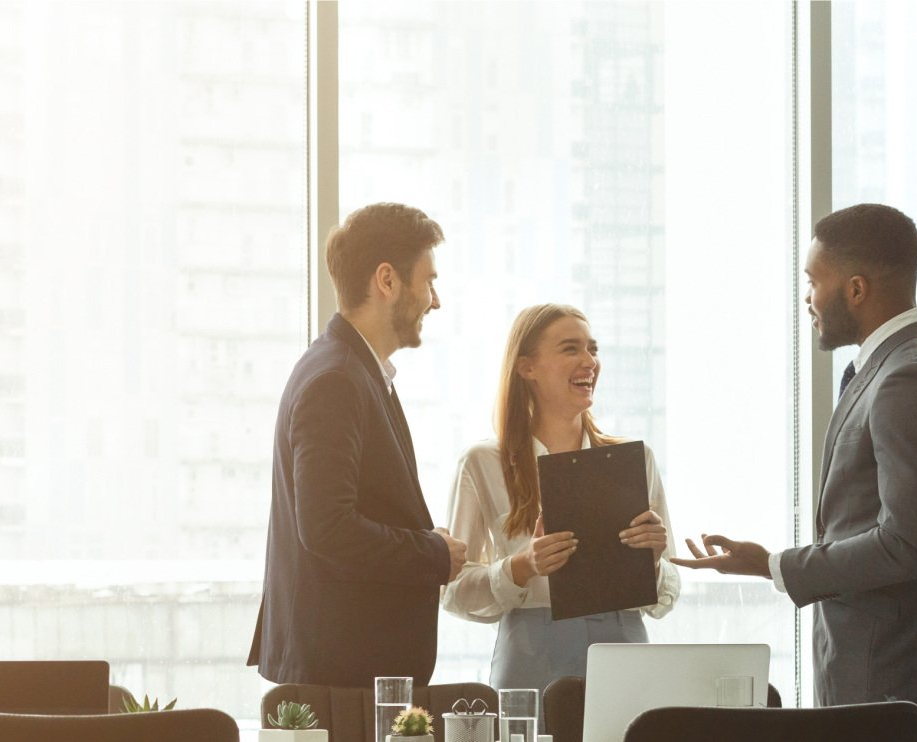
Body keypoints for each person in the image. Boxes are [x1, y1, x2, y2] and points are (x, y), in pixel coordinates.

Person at [672, 204, 917, 742]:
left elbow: (907, 544)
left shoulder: (909, 380)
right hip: (882, 677)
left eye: (814, 281)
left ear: (856, 289)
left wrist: (774, 565)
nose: (807, 298)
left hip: (889, 682)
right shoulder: (899, 367)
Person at [248, 202, 467, 687]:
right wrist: (434, 554)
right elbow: (328, 528)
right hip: (343, 679)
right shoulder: (337, 379)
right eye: (428, 281)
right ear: (386, 280)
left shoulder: (347, 370)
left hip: (347, 672)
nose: (435, 301)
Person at [443, 303, 680, 694]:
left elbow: (667, 595)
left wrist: (652, 561)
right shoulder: (482, 463)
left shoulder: (635, 460)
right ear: (526, 367)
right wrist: (521, 567)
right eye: (571, 348)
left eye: (593, 349)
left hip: (624, 652)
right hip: (531, 655)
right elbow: (454, 593)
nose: (589, 361)